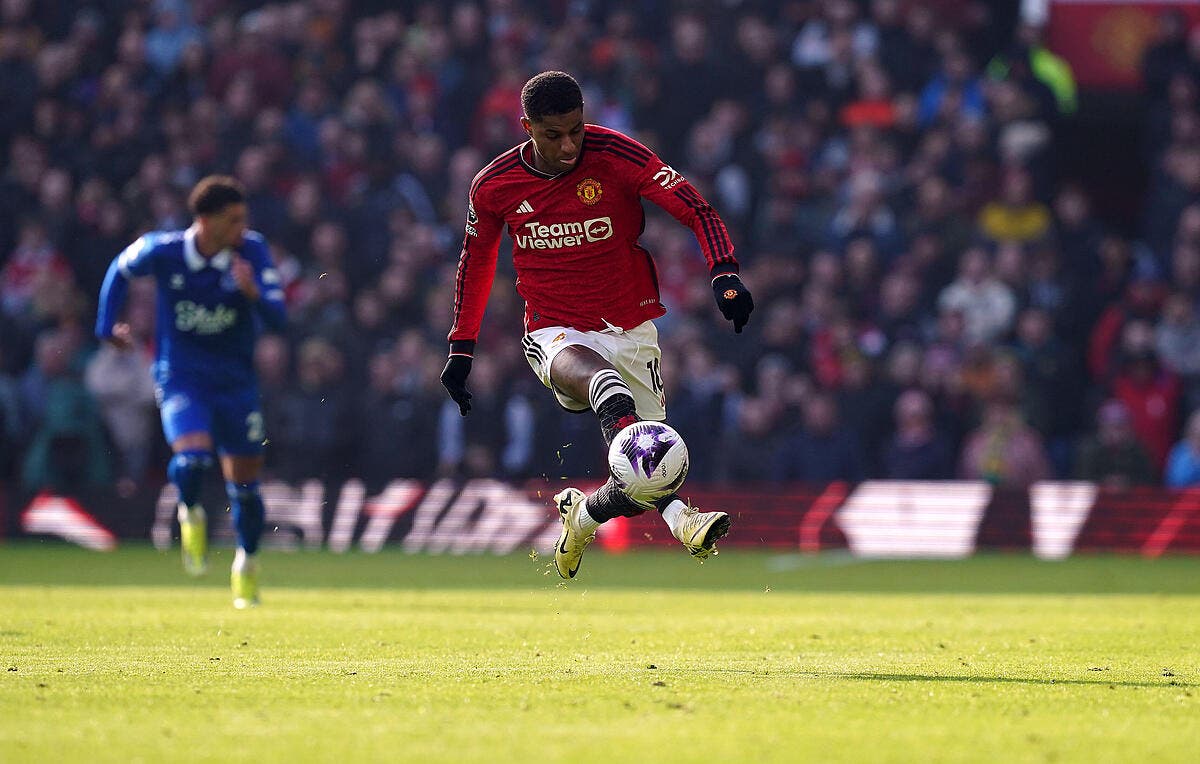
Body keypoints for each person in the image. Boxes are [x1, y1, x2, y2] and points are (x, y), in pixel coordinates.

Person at [438, 71, 754, 579]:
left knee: (641, 480)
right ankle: (682, 520)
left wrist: (725, 272)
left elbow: (697, 208)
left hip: (630, 327)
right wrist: (462, 348)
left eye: (576, 130)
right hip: (554, 330)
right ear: (526, 127)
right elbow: (475, 265)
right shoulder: (494, 186)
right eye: (553, 135)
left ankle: (581, 516)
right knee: (606, 388)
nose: (568, 145)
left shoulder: (617, 155)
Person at [95, 176, 286, 608]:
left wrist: (253, 293)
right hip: (181, 377)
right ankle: (191, 511)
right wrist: (107, 327)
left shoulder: (251, 251)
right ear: (206, 220)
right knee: (193, 458)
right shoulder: (162, 251)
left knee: (246, 488)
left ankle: (246, 563)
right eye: (233, 220)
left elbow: (279, 320)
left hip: (236, 383)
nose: (242, 228)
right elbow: (119, 270)